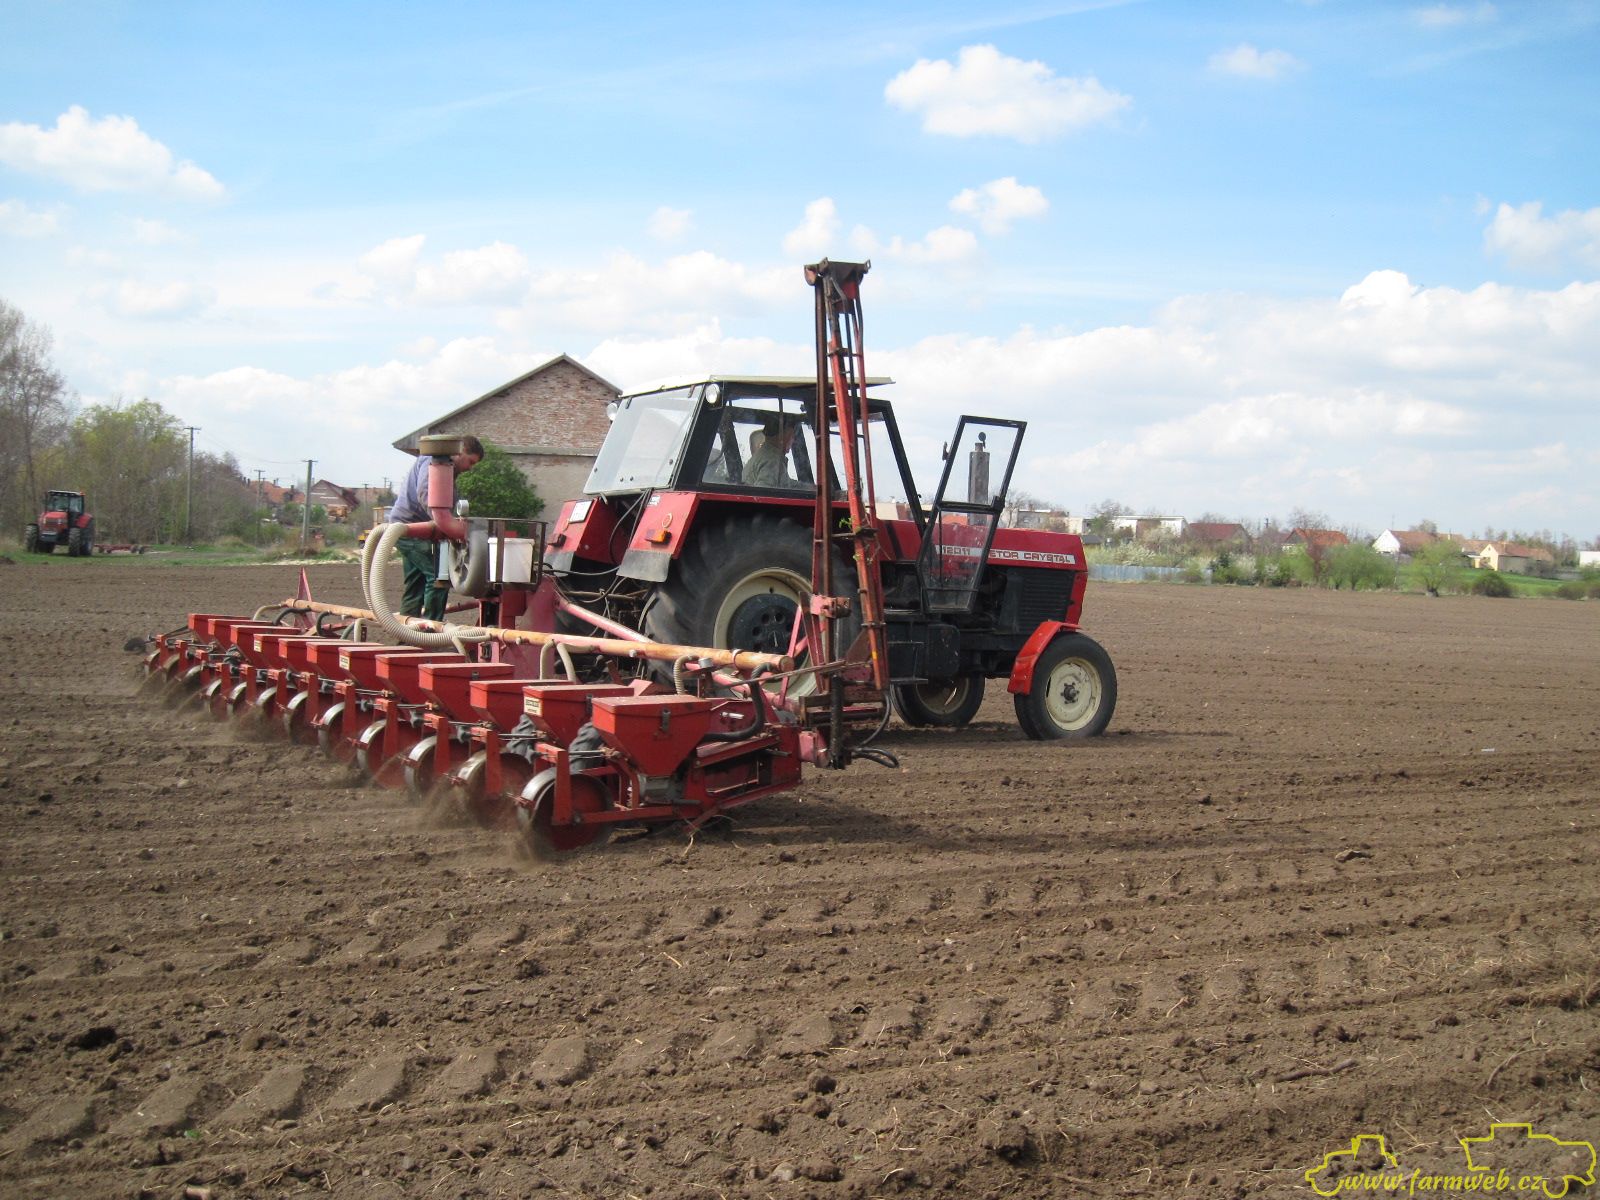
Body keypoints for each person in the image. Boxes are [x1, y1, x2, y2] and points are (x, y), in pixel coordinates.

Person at [386, 436, 483, 620]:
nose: (470, 468)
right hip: (411, 529)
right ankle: (431, 629)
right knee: (440, 577)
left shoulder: (447, 468)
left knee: (415, 584)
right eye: (470, 462)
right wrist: (447, 525)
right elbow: (426, 496)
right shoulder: (434, 462)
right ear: (461, 452)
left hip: (411, 529)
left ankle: (406, 630)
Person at [745, 415, 799, 488]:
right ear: (782, 436)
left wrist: (808, 488)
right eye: (792, 436)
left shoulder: (764, 456)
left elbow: (786, 483)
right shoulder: (771, 460)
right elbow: (765, 492)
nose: (793, 440)